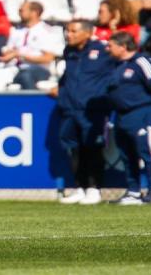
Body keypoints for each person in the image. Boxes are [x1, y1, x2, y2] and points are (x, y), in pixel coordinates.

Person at [52, 20, 115, 205]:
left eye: (73, 31)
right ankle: (79, 187)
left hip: (92, 110)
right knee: (74, 149)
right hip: (70, 108)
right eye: (67, 30)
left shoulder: (104, 51)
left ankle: (94, 188)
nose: (68, 34)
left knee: (93, 148)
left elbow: (115, 74)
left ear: (88, 33)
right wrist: (61, 89)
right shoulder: (69, 51)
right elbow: (69, 76)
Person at [106, 31, 151, 205]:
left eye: (111, 45)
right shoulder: (115, 65)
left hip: (141, 113)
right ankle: (133, 192)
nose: (108, 49)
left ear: (123, 46)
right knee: (127, 155)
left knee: (147, 151)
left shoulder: (141, 62)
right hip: (121, 115)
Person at [0, 1, 64, 89]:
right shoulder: (16, 30)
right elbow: (9, 52)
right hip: (14, 67)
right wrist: (7, 55)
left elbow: (47, 58)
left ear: (34, 13)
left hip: (38, 69)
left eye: (22, 10)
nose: (19, 13)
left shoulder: (46, 32)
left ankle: (32, 103)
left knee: (26, 76)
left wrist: (20, 55)